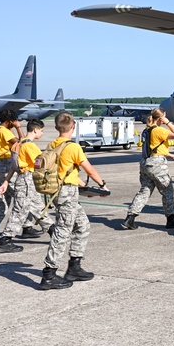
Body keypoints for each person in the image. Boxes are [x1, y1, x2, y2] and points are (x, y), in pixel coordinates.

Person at [40, 112, 108, 290]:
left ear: (56, 128)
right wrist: (102, 185)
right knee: (62, 231)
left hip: (60, 191)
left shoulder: (52, 144)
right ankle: (49, 274)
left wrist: (85, 188)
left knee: (83, 225)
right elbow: (89, 169)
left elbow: (65, 171)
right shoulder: (73, 147)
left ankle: (74, 266)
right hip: (67, 193)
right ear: (74, 126)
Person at [121, 108, 174, 231]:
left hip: (146, 162)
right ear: (161, 118)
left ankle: (130, 218)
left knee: (144, 192)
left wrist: (168, 154)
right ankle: (171, 218)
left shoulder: (147, 130)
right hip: (157, 164)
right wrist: (167, 122)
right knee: (167, 190)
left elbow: (153, 147)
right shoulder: (159, 130)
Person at [0, 119, 47, 253]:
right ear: (35, 130)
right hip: (28, 179)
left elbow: (13, 166)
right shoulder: (30, 146)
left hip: (21, 178)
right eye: (41, 130)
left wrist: (6, 181)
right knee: (20, 211)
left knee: (38, 207)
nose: (42, 133)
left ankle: (53, 230)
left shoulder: (17, 144)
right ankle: (4, 240)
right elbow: (40, 164)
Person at [0, 109, 22, 241]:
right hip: (7, 165)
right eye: (14, 121)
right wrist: (18, 128)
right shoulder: (5, 131)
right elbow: (22, 143)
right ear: (9, 121)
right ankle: (28, 226)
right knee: (21, 196)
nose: (16, 123)